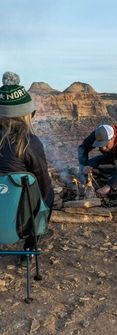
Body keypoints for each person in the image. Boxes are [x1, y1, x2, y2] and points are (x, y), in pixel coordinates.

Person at [0, 71, 54, 248]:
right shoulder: (30, 142)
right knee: (50, 193)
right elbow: (43, 187)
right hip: (20, 224)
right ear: (26, 114)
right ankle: (31, 245)